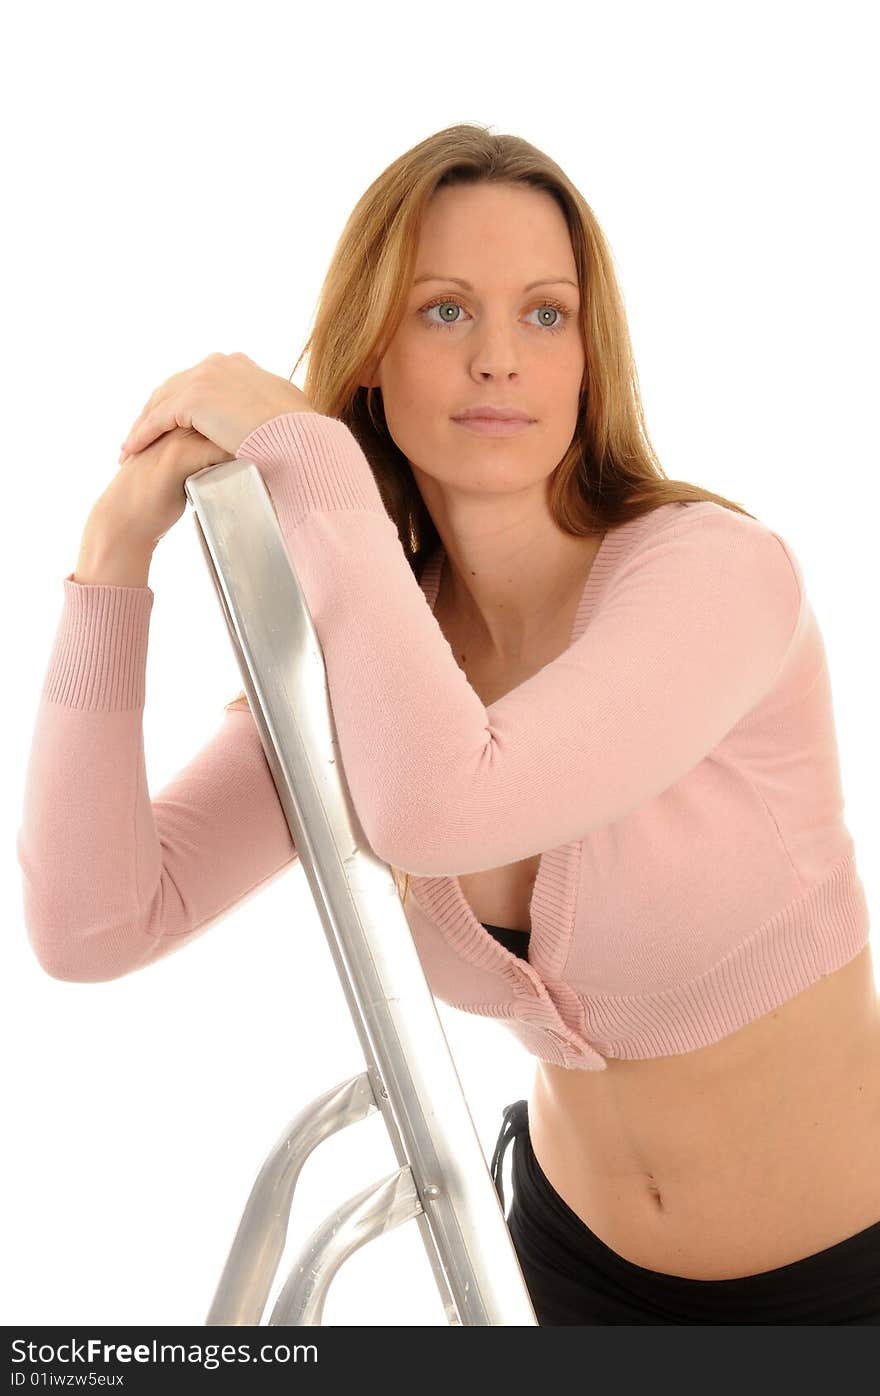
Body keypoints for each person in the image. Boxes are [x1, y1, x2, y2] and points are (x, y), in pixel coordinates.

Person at [17, 122, 880, 1324]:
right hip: (555, 1269)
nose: (497, 361)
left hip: (847, 1282)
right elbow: (95, 921)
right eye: (442, 311)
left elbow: (442, 807)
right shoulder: (372, 662)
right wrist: (112, 560)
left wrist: (309, 456)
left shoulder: (718, 577)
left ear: (589, 356)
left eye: (543, 314)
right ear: (370, 344)